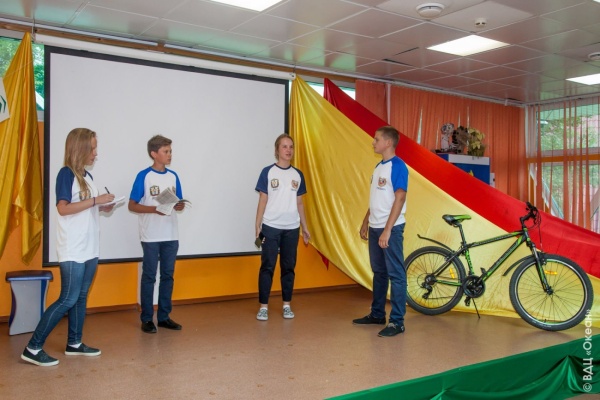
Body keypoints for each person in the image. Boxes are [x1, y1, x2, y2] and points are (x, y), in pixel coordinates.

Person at [21, 128, 116, 367]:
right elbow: (63, 208)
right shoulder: (66, 174)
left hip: (90, 247)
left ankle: (74, 343)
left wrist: (102, 206)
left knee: (81, 296)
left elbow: (83, 208)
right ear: (80, 148)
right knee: (67, 298)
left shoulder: (87, 176)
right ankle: (33, 347)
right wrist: (95, 201)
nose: (95, 153)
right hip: (73, 248)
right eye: (92, 148)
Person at [353, 126, 408, 337]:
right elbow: (376, 199)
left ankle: (397, 322)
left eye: (376, 139)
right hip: (375, 227)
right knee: (379, 272)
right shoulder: (378, 167)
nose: (373, 142)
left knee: (396, 274)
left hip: (390, 229)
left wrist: (387, 230)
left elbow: (400, 198)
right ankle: (377, 314)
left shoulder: (398, 166)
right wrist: (366, 221)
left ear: (388, 143)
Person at [129, 135, 185, 334]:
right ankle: (146, 318)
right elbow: (132, 205)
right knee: (149, 276)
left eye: (170, 151)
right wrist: (155, 210)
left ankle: (164, 317)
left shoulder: (173, 176)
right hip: (151, 235)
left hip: (171, 234)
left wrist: (179, 205)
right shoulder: (144, 176)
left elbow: (178, 202)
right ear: (154, 154)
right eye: (165, 151)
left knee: (168, 276)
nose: (170, 155)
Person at [254, 134, 310, 321]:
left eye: (291, 146)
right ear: (277, 150)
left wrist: (305, 227)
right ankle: (263, 307)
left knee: (288, 267)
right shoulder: (267, 172)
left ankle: (286, 305)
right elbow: (263, 200)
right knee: (267, 266)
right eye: (284, 146)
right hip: (270, 227)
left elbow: (300, 203)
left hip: (292, 229)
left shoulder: (298, 175)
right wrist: (257, 224)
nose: (288, 150)